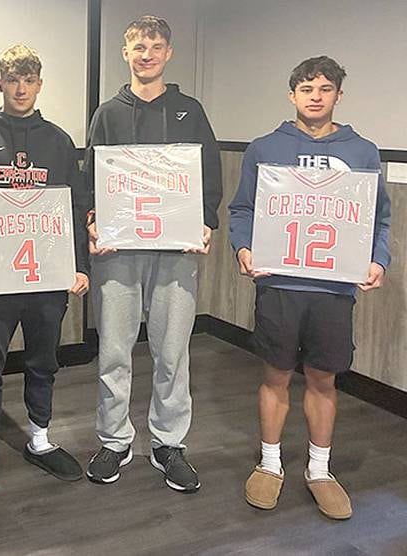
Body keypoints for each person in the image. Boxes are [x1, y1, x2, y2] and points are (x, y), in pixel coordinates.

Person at [229, 55, 391, 520]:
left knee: (323, 377)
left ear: (338, 95)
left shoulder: (363, 151)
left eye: (324, 89)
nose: (315, 96)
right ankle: (270, 463)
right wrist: (244, 248)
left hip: (334, 288)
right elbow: (242, 210)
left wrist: (378, 260)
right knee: (275, 373)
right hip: (280, 283)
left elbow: (379, 217)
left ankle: (319, 470)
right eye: (306, 89)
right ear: (292, 95)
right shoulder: (264, 147)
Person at [84, 15, 222, 492]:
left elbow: (208, 176)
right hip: (120, 250)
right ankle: (114, 439)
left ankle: (167, 441)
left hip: (174, 249)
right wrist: (92, 222)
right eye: (139, 46)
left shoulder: (190, 110)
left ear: (168, 53)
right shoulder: (107, 113)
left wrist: (204, 222)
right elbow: (92, 181)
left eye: (156, 46)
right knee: (115, 349)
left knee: (171, 349)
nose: (147, 54)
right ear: (125, 53)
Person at [0, 44, 90, 500]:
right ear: (1, 83)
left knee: (43, 361)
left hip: (47, 277)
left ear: (39, 85)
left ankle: (40, 439)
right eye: (13, 79)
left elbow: (76, 207)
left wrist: (80, 264)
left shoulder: (58, 140)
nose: (21, 87)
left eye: (29, 80)